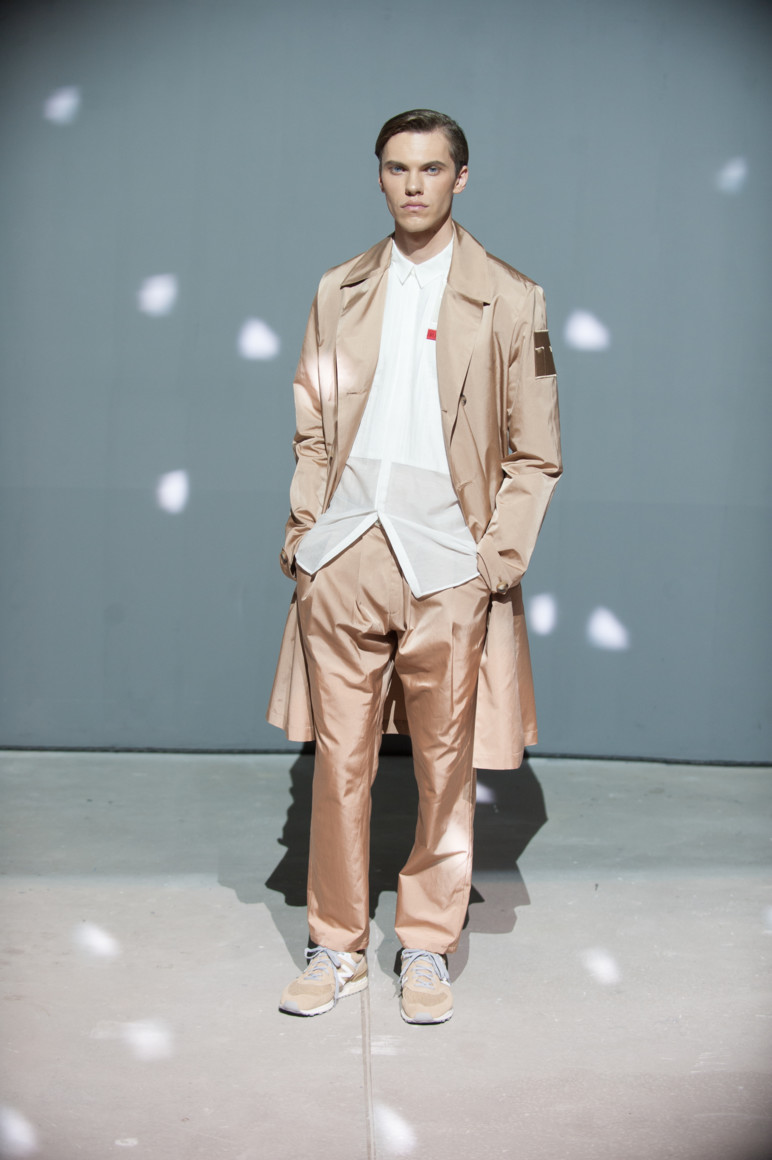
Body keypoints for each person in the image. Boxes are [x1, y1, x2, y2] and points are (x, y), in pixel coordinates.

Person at [267, 109, 562, 1024]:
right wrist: (306, 536)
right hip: (346, 551)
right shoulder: (339, 288)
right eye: (398, 168)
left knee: (444, 767)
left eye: (432, 169)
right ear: (380, 176)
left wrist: (493, 563)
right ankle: (336, 944)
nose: (413, 185)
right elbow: (313, 425)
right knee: (338, 764)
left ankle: (427, 944)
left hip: (447, 563)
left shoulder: (510, 297)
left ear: (460, 178)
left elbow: (535, 453)